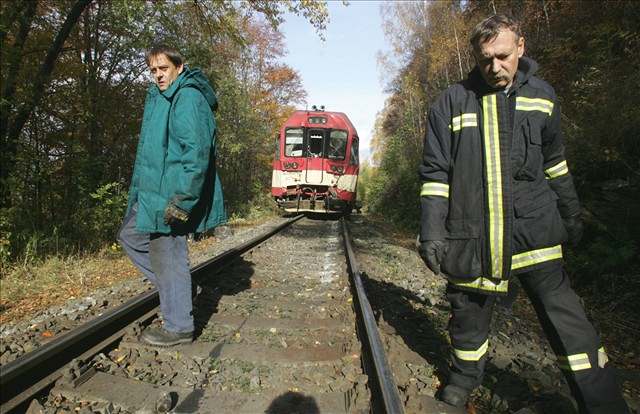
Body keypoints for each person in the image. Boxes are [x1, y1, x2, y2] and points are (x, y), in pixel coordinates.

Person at [418, 15, 629, 412]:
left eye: (502, 56)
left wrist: (571, 214)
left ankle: (603, 403)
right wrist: (431, 231)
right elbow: (435, 174)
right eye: (485, 60)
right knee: (468, 315)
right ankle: (463, 381)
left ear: (521, 47)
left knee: (569, 323)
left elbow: (556, 164)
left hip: (537, 232)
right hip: (473, 234)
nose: (494, 67)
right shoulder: (451, 101)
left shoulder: (545, 97)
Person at [118, 45, 226, 347]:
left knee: (168, 253)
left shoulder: (187, 97)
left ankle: (178, 326)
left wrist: (182, 200)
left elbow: (197, 153)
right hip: (154, 190)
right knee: (130, 236)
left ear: (180, 66)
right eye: (153, 70)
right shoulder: (164, 96)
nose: (158, 75)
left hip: (172, 194)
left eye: (163, 68)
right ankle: (179, 292)